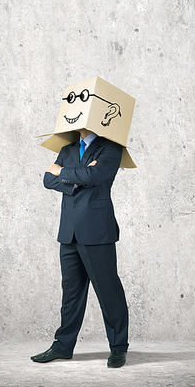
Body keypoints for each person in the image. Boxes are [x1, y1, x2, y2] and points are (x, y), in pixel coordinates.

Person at [31, 129, 129, 368]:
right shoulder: (68, 149)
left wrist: (63, 172)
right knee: (71, 294)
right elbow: (47, 180)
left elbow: (95, 175)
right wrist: (77, 179)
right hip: (68, 231)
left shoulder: (111, 148)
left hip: (97, 231)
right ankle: (63, 346)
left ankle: (118, 348)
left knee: (108, 292)